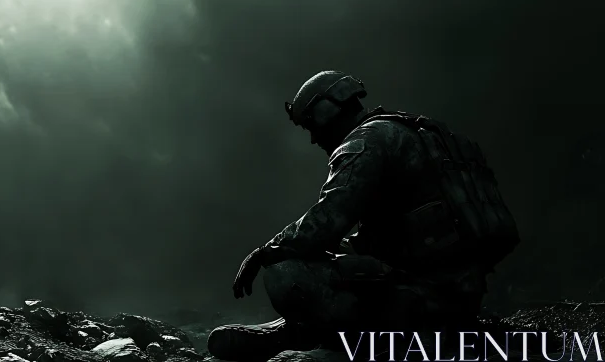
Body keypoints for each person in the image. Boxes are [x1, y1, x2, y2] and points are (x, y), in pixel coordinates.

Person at [207, 71, 520, 361]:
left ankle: (339, 340)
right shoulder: (417, 132)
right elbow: (389, 235)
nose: (315, 139)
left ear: (325, 111)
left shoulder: (364, 142)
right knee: (339, 253)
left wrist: (266, 251)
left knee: (282, 272)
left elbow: (326, 221)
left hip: (422, 301)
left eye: (311, 125)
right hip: (459, 294)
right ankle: (306, 331)